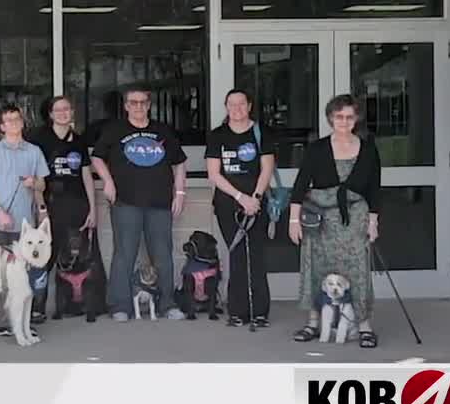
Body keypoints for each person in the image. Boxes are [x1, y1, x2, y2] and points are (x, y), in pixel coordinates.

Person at [288, 94, 381, 349]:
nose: (344, 121)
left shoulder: (368, 148)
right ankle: (313, 322)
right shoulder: (317, 148)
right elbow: (300, 184)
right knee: (317, 268)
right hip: (321, 219)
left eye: (349, 116)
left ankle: (363, 325)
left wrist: (373, 222)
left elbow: (374, 188)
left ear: (356, 119)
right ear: (330, 118)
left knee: (358, 270)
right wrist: (293, 220)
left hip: (355, 218)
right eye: (339, 116)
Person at [92, 86, 188, 322]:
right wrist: (108, 181)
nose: (138, 107)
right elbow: (96, 157)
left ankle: (167, 304)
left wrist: (180, 192)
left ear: (149, 105)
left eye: (142, 102)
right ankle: (120, 306)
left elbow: (180, 162)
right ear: (126, 106)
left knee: (163, 254)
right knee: (124, 254)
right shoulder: (114, 130)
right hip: (125, 201)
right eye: (133, 103)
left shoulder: (162, 131)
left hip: (160, 202)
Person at [205, 88, 275, 328]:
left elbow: (266, 168)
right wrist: (240, 197)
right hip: (228, 204)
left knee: (255, 255)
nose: (237, 109)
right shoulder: (217, 135)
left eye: (241, 104)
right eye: (232, 104)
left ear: (250, 105)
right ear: (226, 107)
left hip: (257, 204)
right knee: (236, 254)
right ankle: (237, 310)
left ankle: (260, 311)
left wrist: (254, 198)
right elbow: (214, 174)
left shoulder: (260, 132)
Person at [0, 103, 49, 336]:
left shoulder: (34, 152)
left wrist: (34, 183)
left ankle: (23, 320)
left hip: (26, 226)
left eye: (16, 119)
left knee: (24, 274)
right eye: (8, 120)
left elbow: (42, 185)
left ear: (22, 122)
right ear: (1, 126)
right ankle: (7, 319)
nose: (13, 123)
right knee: (1, 273)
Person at [26, 95, 95, 323]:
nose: (64, 113)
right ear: (50, 114)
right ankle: (37, 306)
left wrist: (92, 209)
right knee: (43, 258)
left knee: (74, 256)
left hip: (76, 204)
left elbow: (86, 175)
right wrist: (41, 206)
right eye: (59, 109)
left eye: (67, 109)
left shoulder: (79, 140)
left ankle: (73, 304)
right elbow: (35, 177)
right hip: (50, 205)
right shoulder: (39, 139)